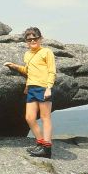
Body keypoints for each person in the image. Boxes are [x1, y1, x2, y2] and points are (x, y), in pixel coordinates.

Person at [4, 27, 56, 158]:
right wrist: (14, 66)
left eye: (35, 38)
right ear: (26, 41)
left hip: (44, 87)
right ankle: (40, 143)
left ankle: (47, 149)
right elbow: (28, 70)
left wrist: (49, 88)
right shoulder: (27, 54)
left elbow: (52, 71)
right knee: (29, 118)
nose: (32, 41)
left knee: (45, 118)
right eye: (29, 39)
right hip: (32, 89)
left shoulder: (46, 52)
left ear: (40, 39)